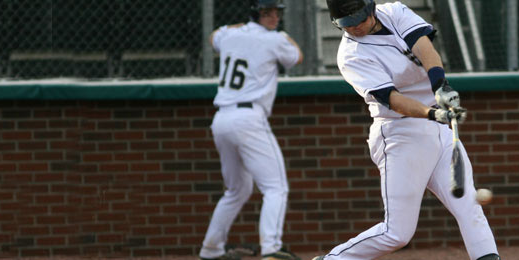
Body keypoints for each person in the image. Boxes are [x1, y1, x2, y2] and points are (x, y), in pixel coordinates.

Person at [313, 0, 499, 259]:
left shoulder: (394, 12)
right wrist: (433, 113)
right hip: (399, 134)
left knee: (469, 205)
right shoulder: (350, 55)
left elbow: (424, 48)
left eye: (359, 19)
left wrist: (440, 87)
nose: (355, 27)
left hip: (438, 130)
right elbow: (394, 100)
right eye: (347, 23)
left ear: (371, 8)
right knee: (397, 233)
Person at [199, 0, 303, 260]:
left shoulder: (230, 33)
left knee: (237, 190)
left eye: (277, 12)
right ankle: (271, 248)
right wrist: (281, 35)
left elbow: (214, 37)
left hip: (222, 120)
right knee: (275, 187)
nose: (274, 17)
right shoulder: (275, 39)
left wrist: (243, 26)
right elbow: (297, 57)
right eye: (267, 13)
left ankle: (211, 249)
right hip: (248, 118)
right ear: (256, 13)